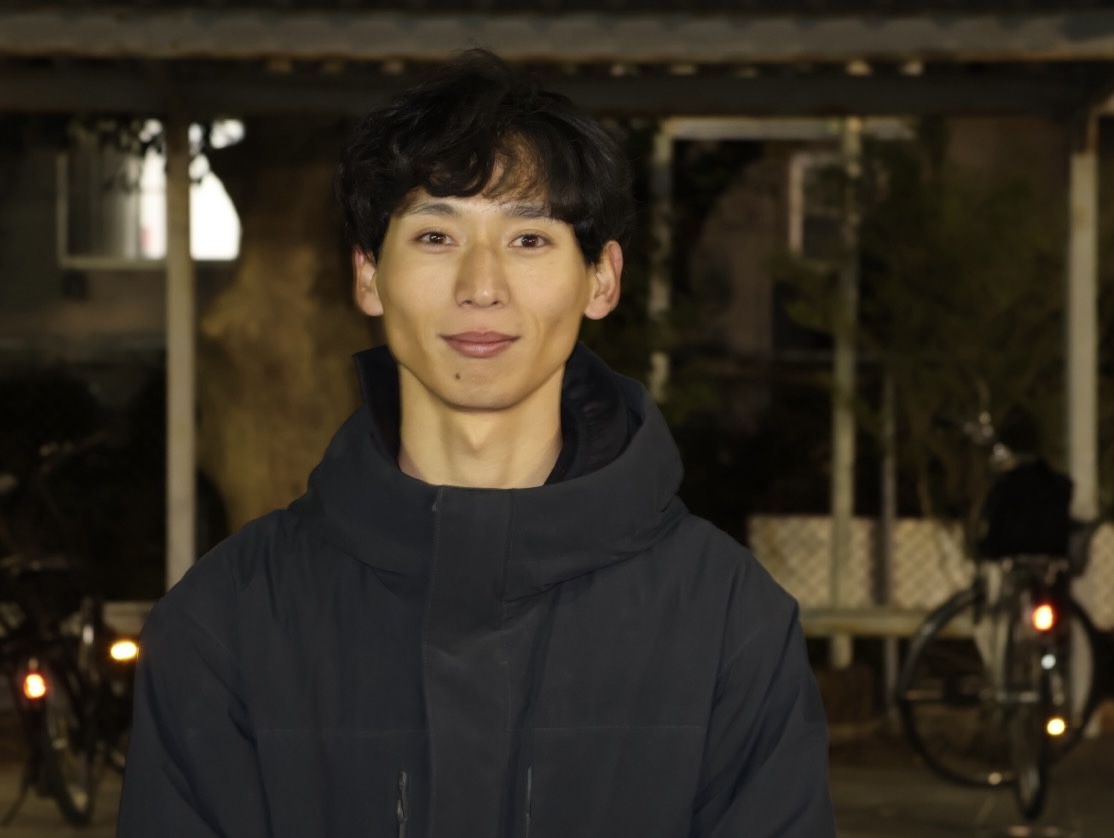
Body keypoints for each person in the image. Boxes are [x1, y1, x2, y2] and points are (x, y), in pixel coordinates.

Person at [118, 49, 836, 838]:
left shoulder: (727, 622)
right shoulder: (227, 620)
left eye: (529, 240)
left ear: (601, 279)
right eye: (435, 236)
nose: (481, 286)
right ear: (368, 275)